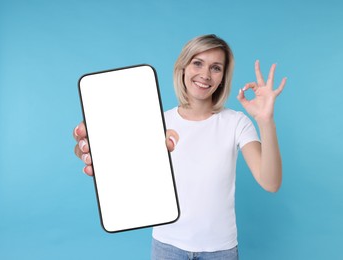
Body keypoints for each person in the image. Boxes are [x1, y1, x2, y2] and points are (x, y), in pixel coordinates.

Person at [73, 34, 286, 259]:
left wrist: (265, 120)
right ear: (183, 68)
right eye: (197, 63)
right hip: (167, 247)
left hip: (220, 250)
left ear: (223, 77)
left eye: (216, 68)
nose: (205, 75)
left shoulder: (236, 122)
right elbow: (129, 173)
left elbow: (270, 182)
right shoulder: (157, 123)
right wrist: (93, 151)